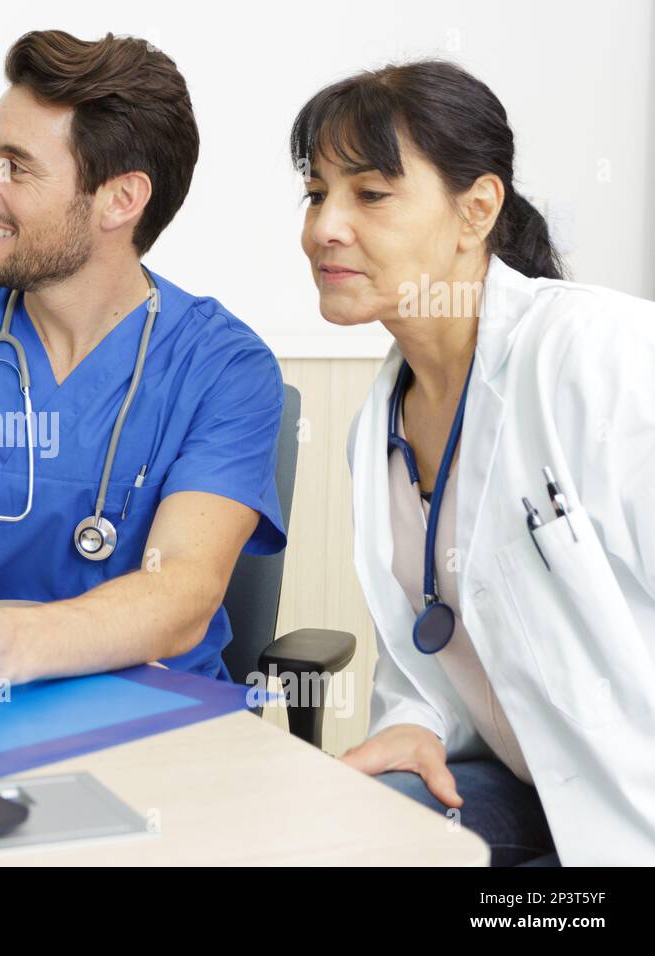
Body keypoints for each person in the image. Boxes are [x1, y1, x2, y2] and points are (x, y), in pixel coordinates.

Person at [292, 60, 655, 865]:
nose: (325, 227)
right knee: (333, 845)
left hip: (633, 811)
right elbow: (436, 658)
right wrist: (415, 725)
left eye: (370, 194)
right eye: (317, 193)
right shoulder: (378, 429)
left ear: (476, 210)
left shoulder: (602, 358)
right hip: (520, 785)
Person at [0, 30, 286, 692]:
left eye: (14, 167)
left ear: (121, 199)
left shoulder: (223, 368)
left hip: (157, 722)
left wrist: (11, 644)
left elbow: (184, 592)